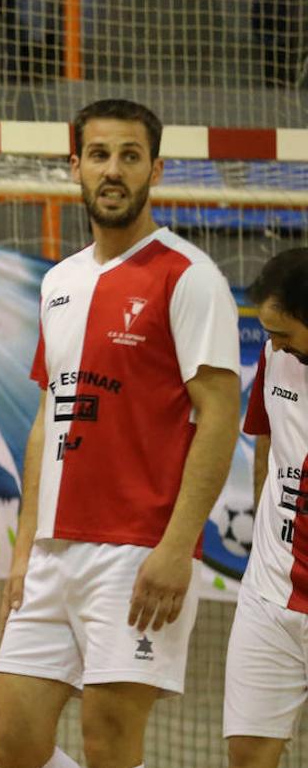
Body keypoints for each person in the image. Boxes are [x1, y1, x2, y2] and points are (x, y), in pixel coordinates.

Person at [0, 99, 241, 768]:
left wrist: (177, 547)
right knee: (13, 743)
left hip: (136, 553)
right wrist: (23, 549)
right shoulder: (59, 282)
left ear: (155, 168)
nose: (113, 170)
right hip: (50, 553)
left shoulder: (189, 278)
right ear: (75, 166)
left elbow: (220, 413)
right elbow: (51, 415)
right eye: (99, 155)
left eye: (130, 156)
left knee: (109, 742)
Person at [224, 246, 308, 768]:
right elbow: (264, 441)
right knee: (248, 757)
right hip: (269, 595)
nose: (271, 341)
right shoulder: (274, 356)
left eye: (283, 332)